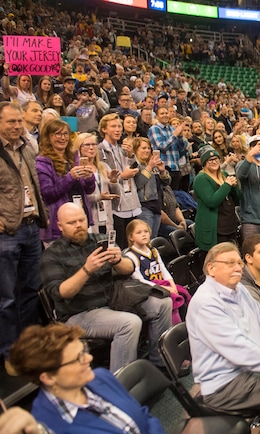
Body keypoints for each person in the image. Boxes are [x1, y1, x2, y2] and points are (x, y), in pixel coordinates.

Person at [41, 203, 171, 372]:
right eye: (71, 223)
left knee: (163, 303)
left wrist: (118, 261)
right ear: (60, 226)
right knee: (129, 323)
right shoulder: (52, 255)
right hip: (78, 313)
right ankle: (122, 385)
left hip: (113, 301)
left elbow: (128, 269)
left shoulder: (99, 240)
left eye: (81, 220)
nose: (78, 225)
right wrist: (87, 269)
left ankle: (160, 363)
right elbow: (60, 293)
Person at [186, 242, 260, 434]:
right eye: (230, 263)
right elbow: (241, 352)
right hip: (224, 385)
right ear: (211, 268)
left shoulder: (238, 289)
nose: (238, 268)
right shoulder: (206, 303)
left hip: (246, 370)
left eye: (239, 263)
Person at [8, 323, 167, 434]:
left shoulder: (101, 377)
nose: (89, 358)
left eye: (84, 351)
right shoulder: (47, 425)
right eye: (78, 358)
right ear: (48, 377)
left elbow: (144, 416)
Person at [0, 102, 48, 368]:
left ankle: (28, 345)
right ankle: (9, 352)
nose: (17, 126)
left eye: (19, 121)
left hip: (31, 227)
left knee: (29, 290)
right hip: (7, 231)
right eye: (10, 122)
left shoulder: (28, 147)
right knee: (6, 297)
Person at [36, 119, 96, 245]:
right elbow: (47, 194)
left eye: (65, 134)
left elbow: (89, 190)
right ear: (48, 137)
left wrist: (89, 178)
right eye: (58, 134)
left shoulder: (74, 157)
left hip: (80, 217)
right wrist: (70, 178)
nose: (62, 138)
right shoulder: (42, 162)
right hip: (57, 224)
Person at [124, 219, 190, 325]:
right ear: (131, 237)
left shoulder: (153, 250)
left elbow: (164, 270)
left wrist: (172, 286)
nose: (144, 235)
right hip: (149, 291)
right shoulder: (131, 256)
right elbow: (139, 280)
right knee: (172, 302)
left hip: (164, 286)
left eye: (146, 231)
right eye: (139, 232)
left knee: (182, 294)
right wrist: (165, 288)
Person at [97, 113, 141, 249]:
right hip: (114, 205)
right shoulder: (99, 150)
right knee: (120, 245)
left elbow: (134, 168)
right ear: (104, 129)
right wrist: (122, 176)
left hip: (130, 200)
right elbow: (103, 178)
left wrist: (131, 155)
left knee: (132, 244)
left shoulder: (122, 149)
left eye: (119, 126)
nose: (118, 130)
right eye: (113, 126)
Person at [193, 147, 241, 251]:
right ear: (204, 163)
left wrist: (235, 187)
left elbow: (238, 198)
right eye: (210, 160)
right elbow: (212, 201)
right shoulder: (201, 178)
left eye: (216, 159)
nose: (214, 162)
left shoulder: (224, 174)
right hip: (215, 229)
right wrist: (227, 185)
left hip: (229, 225)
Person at [76, 132, 120, 235]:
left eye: (94, 144)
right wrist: (98, 197)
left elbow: (117, 198)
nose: (91, 148)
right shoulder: (77, 170)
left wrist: (113, 182)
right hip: (89, 220)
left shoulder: (104, 167)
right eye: (87, 145)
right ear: (79, 147)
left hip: (107, 220)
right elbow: (79, 198)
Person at [133, 137, 170, 237]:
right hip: (144, 206)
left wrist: (162, 171)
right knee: (146, 238)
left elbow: (166, 183)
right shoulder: (135, 165)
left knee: (153, 238)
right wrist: (149, 167)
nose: (147, 151)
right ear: (136, 149)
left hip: (157, 205)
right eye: (143, 148)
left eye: (149, 148)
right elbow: (138, 184)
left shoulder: (153, 164)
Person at [148, 106, 188, 191]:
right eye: (162, 113)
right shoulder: (154, 129)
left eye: (166, 113)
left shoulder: (172, 129)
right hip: (164, 168)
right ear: (157, 116)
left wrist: (180, 137)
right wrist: (175, 135)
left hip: (176, 168)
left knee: (176, 196)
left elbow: (181, 149)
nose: (165, 115)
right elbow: (161, 147)